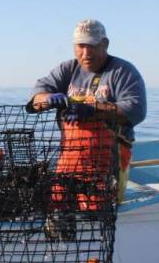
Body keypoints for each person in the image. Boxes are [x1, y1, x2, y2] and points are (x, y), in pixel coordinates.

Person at [28, 20, 146, 237]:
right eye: (80, 46)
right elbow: (35, 99)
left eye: (91, 45)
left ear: (105, 44)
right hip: (69, 158)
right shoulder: (68, 69)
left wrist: (92, 109)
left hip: (107, 162)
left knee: (95, 211)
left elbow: (136, 110)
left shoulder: (122, 71)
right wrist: (48, 98)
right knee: (57, 203)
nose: (85, 52)